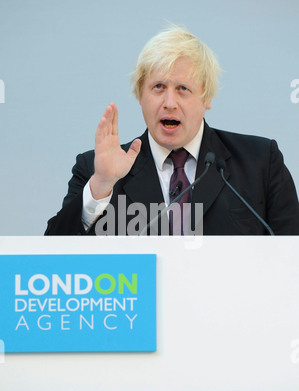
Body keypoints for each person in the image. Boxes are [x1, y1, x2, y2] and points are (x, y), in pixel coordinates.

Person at [45, 26, 299, 236]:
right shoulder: (97, 169)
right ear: (140, 96)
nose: (169, 102)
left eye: (182, 89)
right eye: (158, 87)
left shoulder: (260, 163)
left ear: (207, 97)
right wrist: (101, 186)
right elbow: (52, 260)